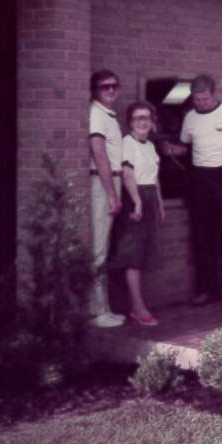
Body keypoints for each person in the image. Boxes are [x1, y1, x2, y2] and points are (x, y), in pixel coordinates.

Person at [173, 74, 222, 310]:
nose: (201, 103)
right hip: (201, 178)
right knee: (202, 236)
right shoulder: (190, 118)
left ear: (213, 94)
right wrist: (171, 150)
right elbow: (185, 148)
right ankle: (205, 289)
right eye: (197, 99)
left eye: (205, 99)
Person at [110, 101, 165, 327]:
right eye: (137, 118)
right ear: (130, 123)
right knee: (132, 256)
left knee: (142, 255)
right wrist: (137, 202)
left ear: (152, 122)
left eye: (146, 118)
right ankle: (137, 307)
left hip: (149, 198)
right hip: (136, 198)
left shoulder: (150, 146)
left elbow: (154, 178)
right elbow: (127, 175)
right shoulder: (128, 142)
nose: (142, 122)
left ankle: (138, 305)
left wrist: (160, 204)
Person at [87, 69, 126, 327]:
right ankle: (96, 312)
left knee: (104, 246)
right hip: (103, 182)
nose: (110, 90)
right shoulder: (97, 115)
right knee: (98, 250)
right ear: (96, 90)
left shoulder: (108, 115)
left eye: (114, 86)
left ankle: (105, 307)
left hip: (113, 179)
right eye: (104, 87)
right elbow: (99, 153)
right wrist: (111, 192)